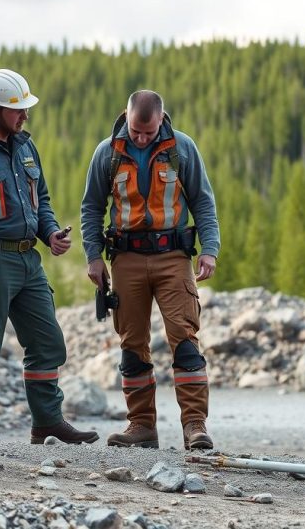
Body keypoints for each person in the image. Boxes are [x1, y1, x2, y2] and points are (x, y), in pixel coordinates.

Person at [0, 69, 99, 445]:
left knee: (48, 342)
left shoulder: (26, 147)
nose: (24, 116)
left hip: (29, 261)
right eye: (17, 110)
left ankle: (47, 421)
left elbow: (40, 200)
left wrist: (50, 233)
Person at [80, 90, 220, 450]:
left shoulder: (182, 148)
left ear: (161, 119)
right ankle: (141, 426)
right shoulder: (107, 152)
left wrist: (210, 250)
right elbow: (91, 208)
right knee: (132, 347)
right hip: (125, 258)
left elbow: (203, 201)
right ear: (126, 117)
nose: (141, 138)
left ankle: (195, 426)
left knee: (185, 341)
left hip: (174, 257)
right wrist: (93, 257)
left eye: (148, 132)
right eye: (135, 131)